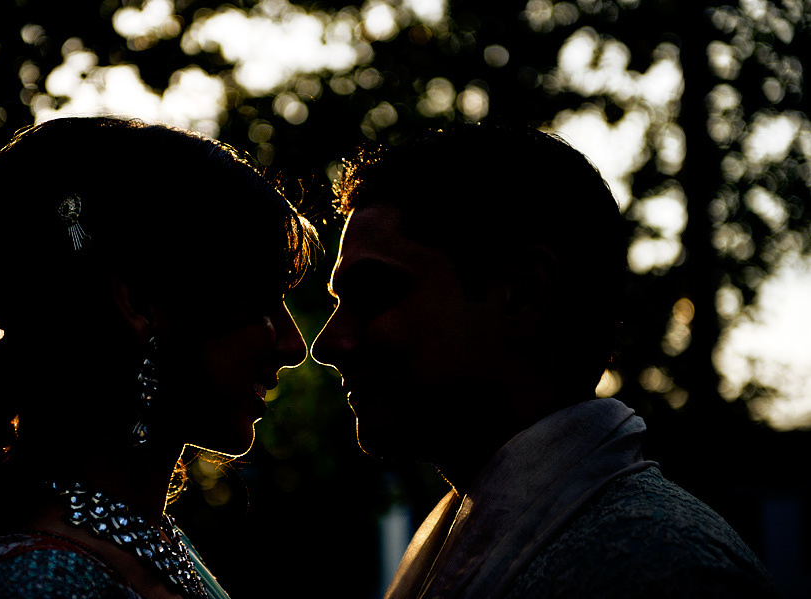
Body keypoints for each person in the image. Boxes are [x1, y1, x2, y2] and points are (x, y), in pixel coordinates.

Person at [311, 124, 778, 598]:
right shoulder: (483, 542)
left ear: (522, 293)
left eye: (372, 293)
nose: (327, 343)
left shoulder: (660, 572)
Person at [0, 116, 315, 598]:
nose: (295, 346)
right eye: (261, 301)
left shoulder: (149, 544)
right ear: (137, 304)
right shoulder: (47, 584)